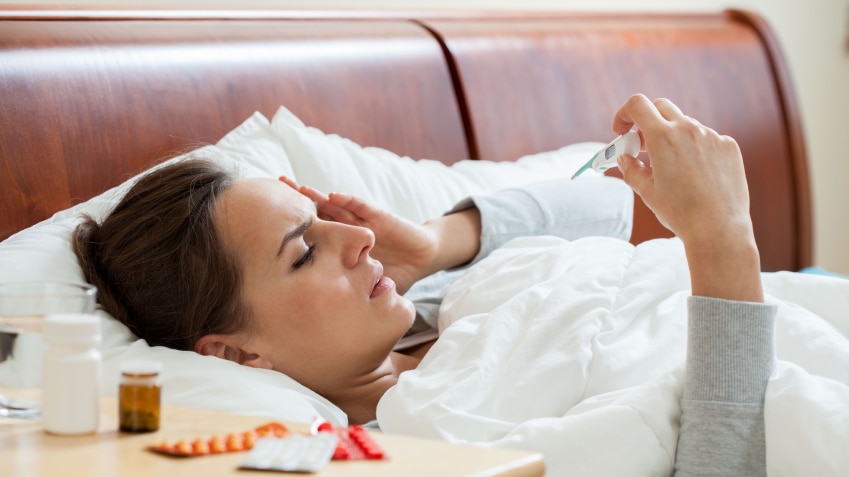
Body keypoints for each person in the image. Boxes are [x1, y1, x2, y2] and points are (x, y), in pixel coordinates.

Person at [73, 94, 774, 476]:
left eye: (325, 219)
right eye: (303, 252)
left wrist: (435, 243)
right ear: (236, 355)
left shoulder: (440, 305)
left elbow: (599, 208)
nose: (358, 239)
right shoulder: (417, 440)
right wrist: (721, 245)